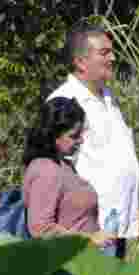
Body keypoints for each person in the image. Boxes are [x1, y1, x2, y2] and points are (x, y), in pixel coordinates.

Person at [47, 23, 139, 259]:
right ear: (80, 62)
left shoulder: (107, 96)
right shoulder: (64, 100)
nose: (113, 57)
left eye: (112, 51)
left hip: (116, 219)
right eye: (104, 52)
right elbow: (51, 165)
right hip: (88, 226)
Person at [22, 97, 112, 247]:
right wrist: (89, 240)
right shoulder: (46, 170)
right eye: (74, 135)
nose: (81, 140)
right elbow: (41, 228)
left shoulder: (62, 165)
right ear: (53, 135)